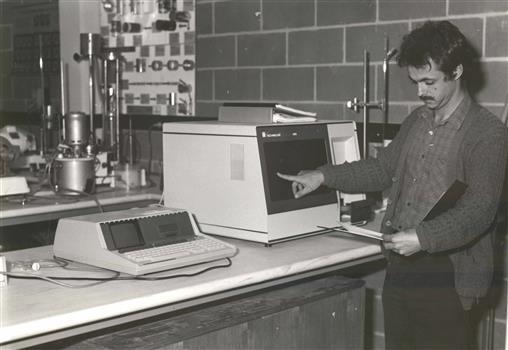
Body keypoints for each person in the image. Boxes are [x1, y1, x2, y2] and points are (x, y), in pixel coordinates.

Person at [278, 20, 508, 349]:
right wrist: (323, 175)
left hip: (447, 272)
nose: (420, 92)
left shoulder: (488, 133)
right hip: (401, 263)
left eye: (429, 82)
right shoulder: (417, 121)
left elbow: (480, 209)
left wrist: (423, 237)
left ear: (457, 72)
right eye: (416, 82)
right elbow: (382, 169)